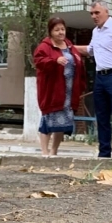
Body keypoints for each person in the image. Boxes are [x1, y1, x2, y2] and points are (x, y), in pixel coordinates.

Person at [74, 1, 112, 159]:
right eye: (91, 14)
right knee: (101, 117)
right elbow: (90, 50)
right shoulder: (96, 32)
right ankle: (104, 153)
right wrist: (68, 47)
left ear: (106, 12)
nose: (94, 16)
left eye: (97, 13)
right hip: (100, 77)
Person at [33, 17, 86, 157]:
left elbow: (79, 64)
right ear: (50, 32)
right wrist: (54, 60)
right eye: (56, 30)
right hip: (52, 91)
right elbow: (39, 62)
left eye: (62, 29)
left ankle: (54, 151)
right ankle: (44, 153)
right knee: (48, 121)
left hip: (68, 91)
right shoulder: (44, 47)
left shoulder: (69, 46)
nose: (60, 32)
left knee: (62, 123)